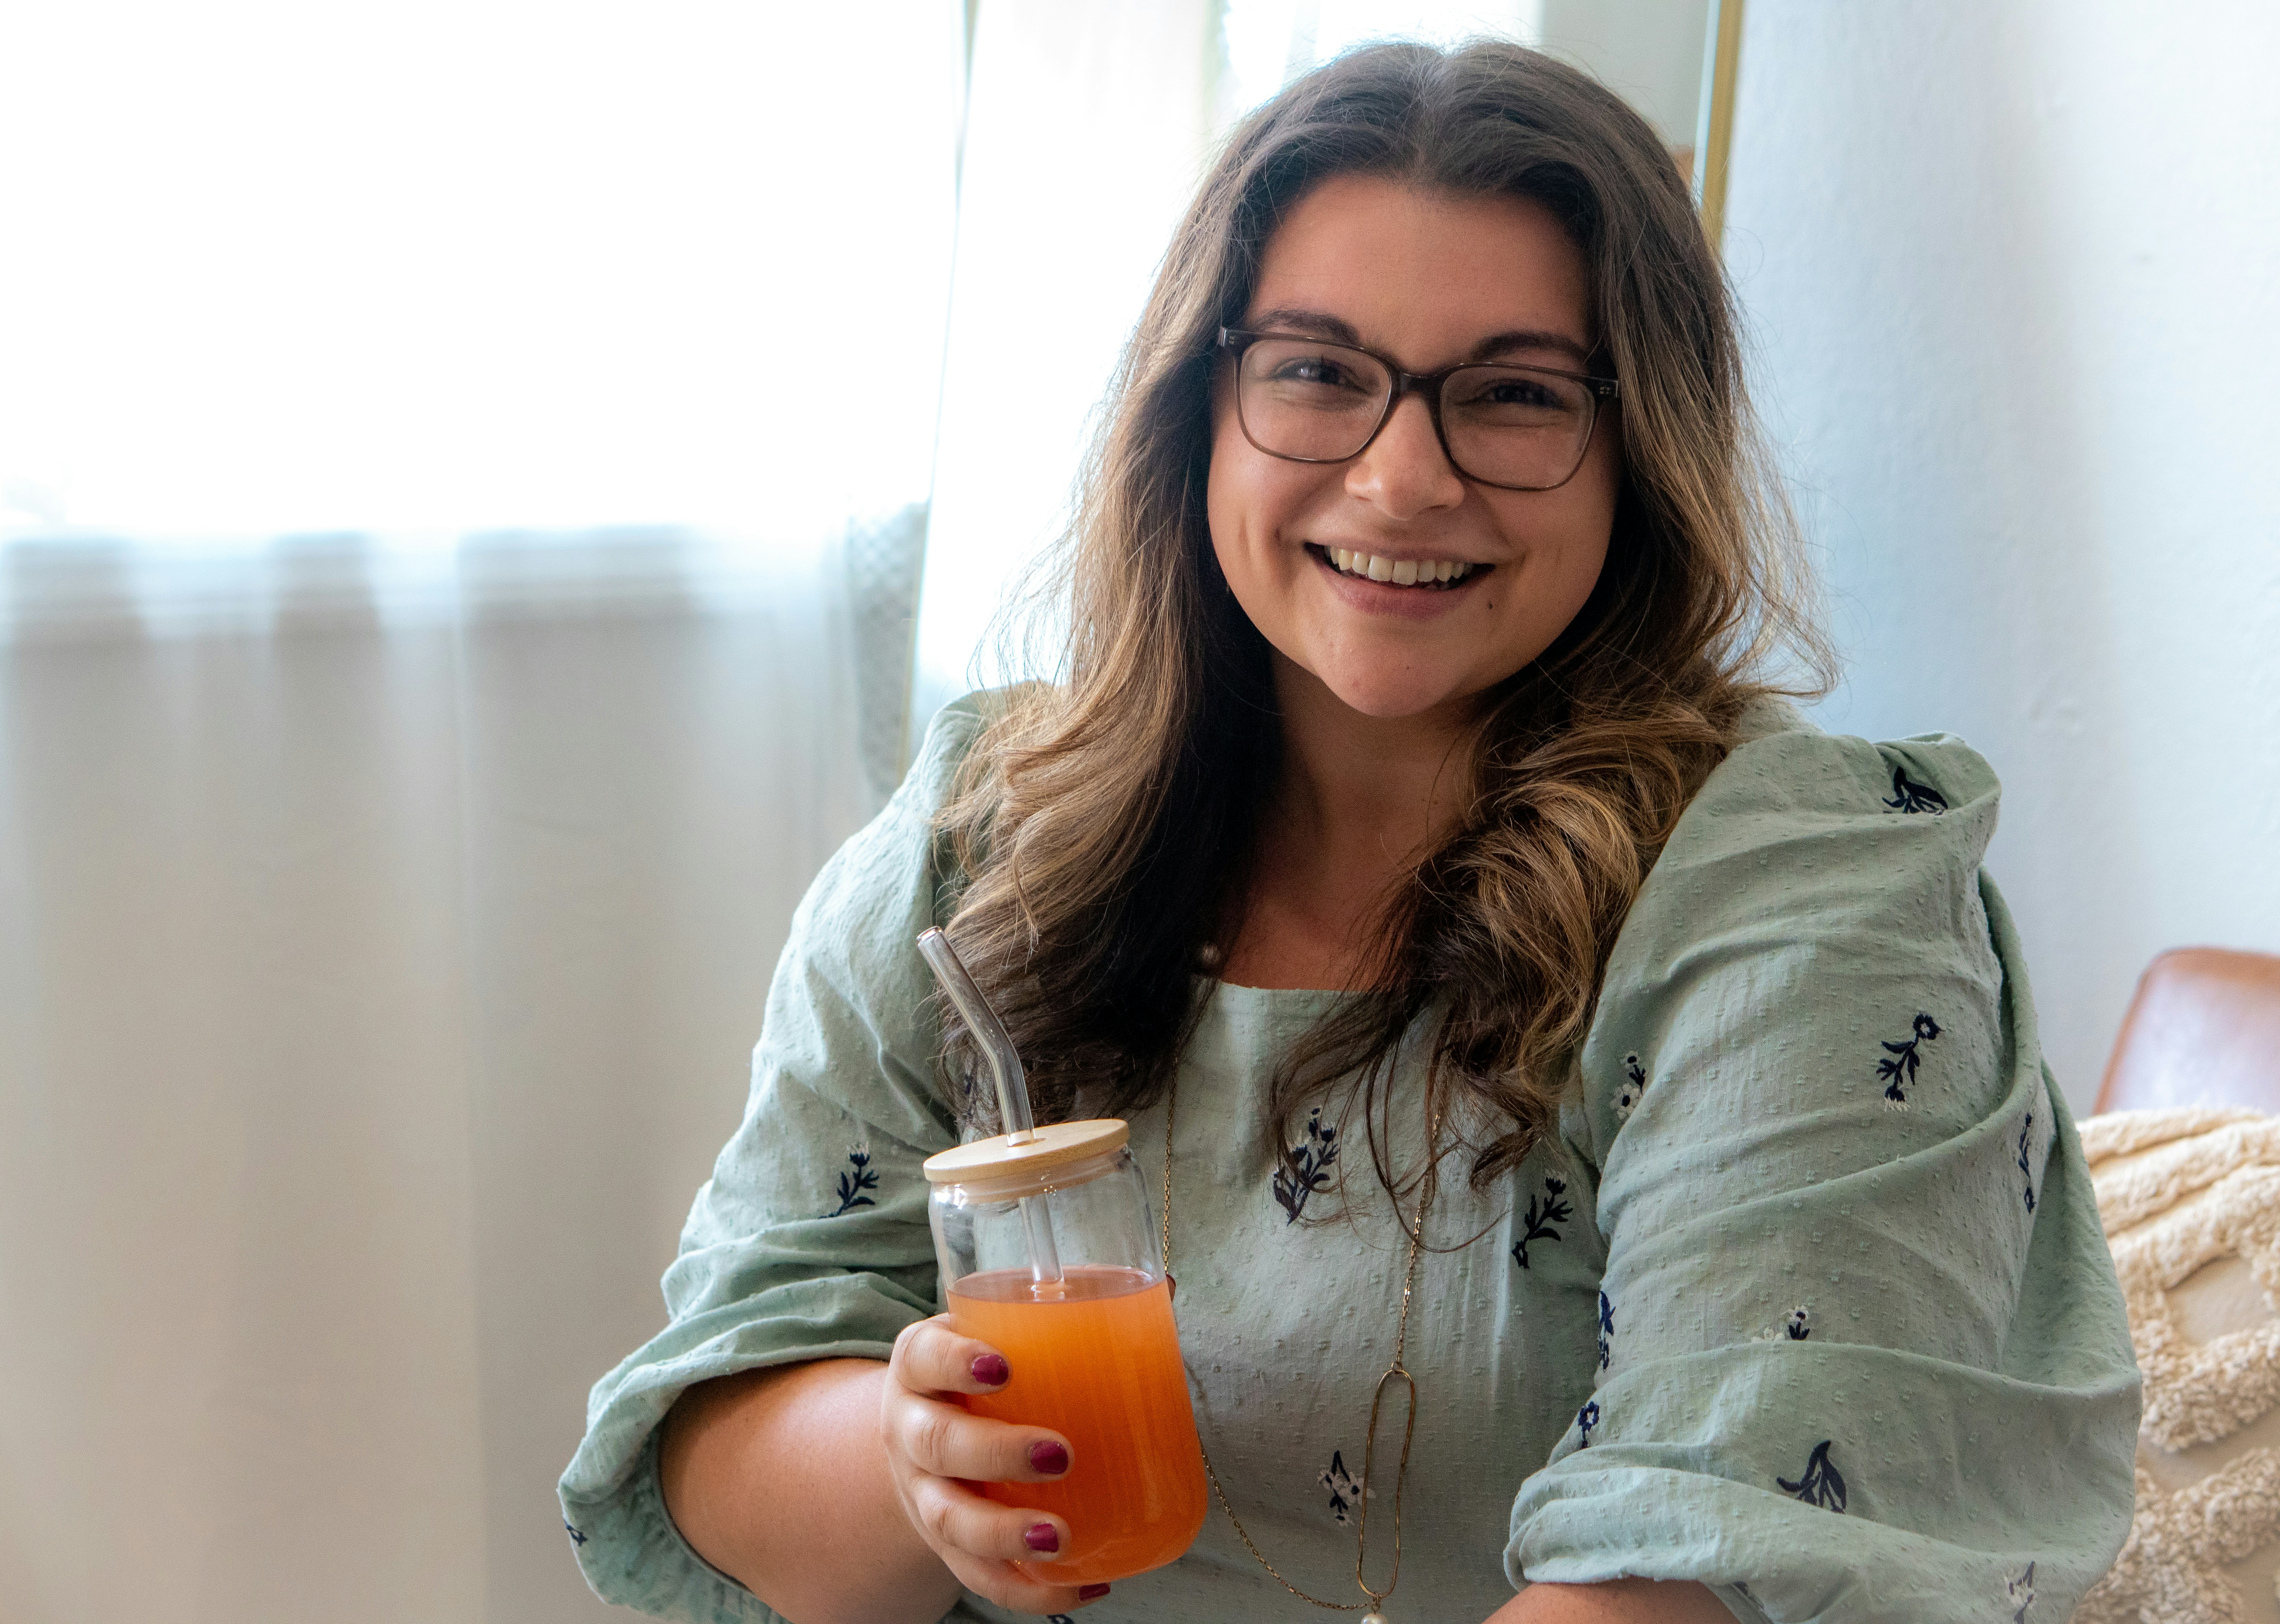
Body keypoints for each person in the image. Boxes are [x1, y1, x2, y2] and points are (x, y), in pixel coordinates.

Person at [559, 39, 2140, 1624]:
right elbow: (725, 1417)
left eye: (1513, 396)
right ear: (1203, 409)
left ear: (1638, 448)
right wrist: (913, 1463)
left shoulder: (1810, 893)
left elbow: (1705, 1564)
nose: (1399, 481)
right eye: (1317, 371)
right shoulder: (985, 841)